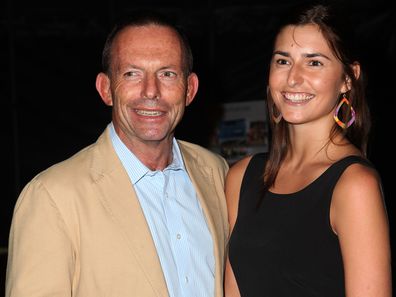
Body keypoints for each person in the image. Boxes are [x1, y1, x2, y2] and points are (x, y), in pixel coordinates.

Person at [6, 11, 229, 297]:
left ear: (190, 90)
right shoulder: (52, 196)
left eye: (167, 74)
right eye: (132, 74)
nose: (151, 91)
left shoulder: (217, 173)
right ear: (106, 89)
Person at [224, 4, 391, 297]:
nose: (293, 78)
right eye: (283, 61)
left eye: (314, 63)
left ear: (347, 79)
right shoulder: (240, 177)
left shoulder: (354, 185)